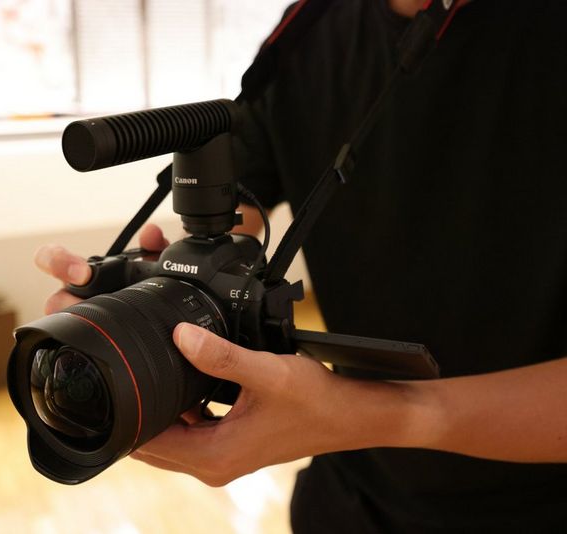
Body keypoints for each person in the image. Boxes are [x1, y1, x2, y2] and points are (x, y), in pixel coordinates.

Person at [35, 0, 567, 531]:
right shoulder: (309, 29)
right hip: (351, 496)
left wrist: (376, 414)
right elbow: (235, 213)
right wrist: (156, 301)